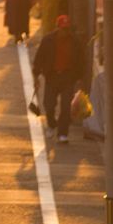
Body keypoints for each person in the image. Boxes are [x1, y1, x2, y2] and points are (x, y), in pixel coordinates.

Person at [32, 15, 84, 144]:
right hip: (52, 76)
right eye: (62, 29)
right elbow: (39, 58)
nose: (65, 32)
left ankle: (62, 133)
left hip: (68, 77)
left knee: (66, 107)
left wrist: (79, 78)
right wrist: (36, 76)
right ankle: (51, 123)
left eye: (67, 29)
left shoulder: (75, 42)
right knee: (48, 104)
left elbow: (81, 62)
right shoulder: (48, 40)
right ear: (57, 28)